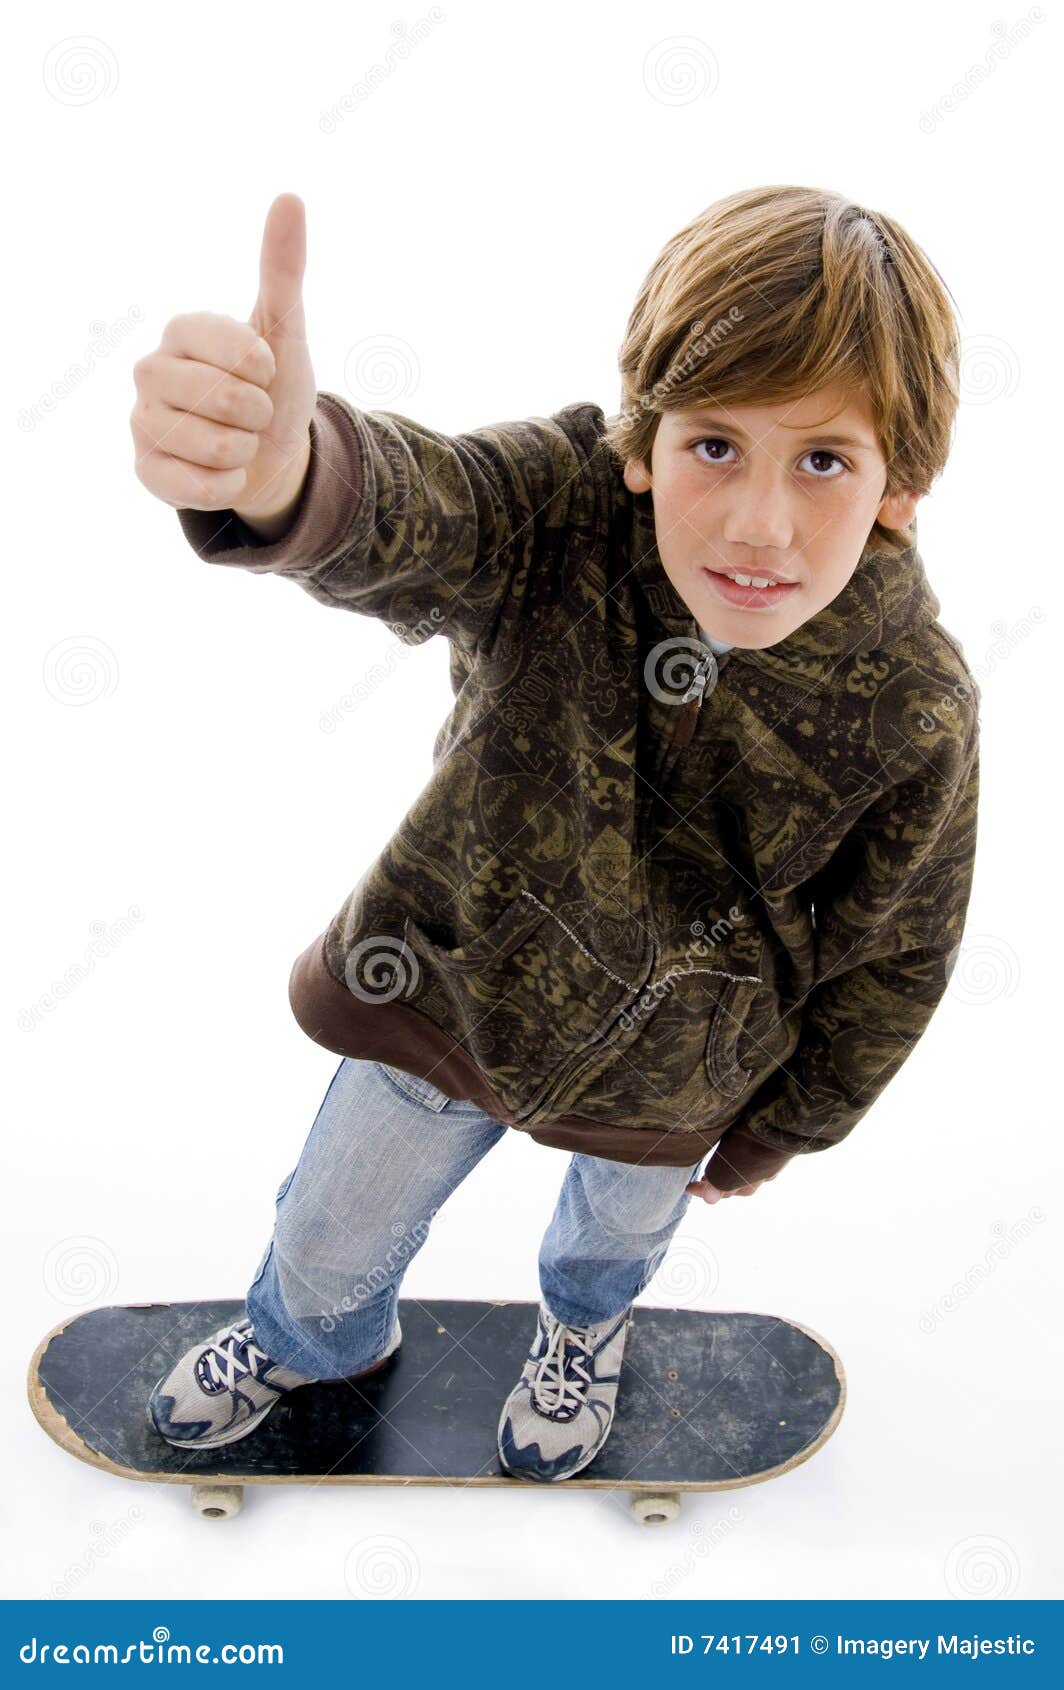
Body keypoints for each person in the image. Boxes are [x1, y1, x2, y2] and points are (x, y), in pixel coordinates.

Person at [128, 184, 979, 1483]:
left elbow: (896, 952)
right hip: (449, 985)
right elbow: (432, 506)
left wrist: (783, 1125)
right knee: (330, 1229)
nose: (758, 523)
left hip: (678, 1074)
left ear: (901, 486)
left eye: (824, 461)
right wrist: (290, 474)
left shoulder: (913, 706)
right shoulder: (561, 515)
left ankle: (581, 1333)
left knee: (611, 1244)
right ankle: (310, 1338)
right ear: (642, 443)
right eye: (713, 445)